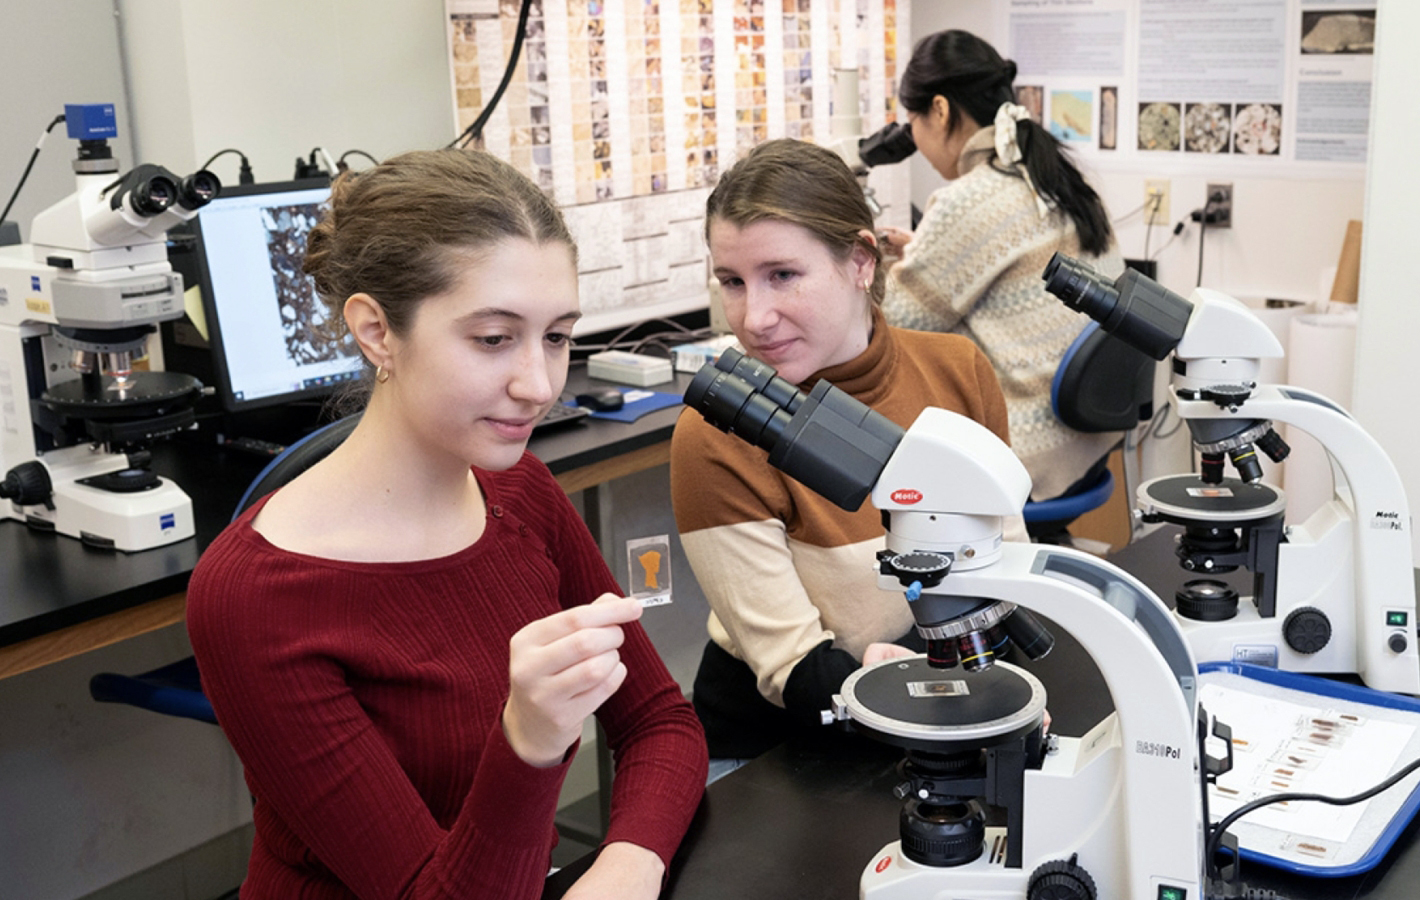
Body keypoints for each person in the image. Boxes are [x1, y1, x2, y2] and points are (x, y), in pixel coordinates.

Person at [186, 149, 706, 900]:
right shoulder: (251, 595)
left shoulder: (519, 492)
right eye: (494, 339)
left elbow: (660, 723)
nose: (539, 386)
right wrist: (524, 744)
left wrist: (628, 863)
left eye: (556, 337)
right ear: (375, 331)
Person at [670, 139, 1015, 763]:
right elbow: (793, 671)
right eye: (732, 282)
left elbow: (1006, 568)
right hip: (782, 740)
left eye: (782, 275)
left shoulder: (958, 371)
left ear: (860, 260)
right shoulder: (715, 432)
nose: (754, 317)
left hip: (939, 699)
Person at [880, 29, 1124, 522]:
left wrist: (862, 269)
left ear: (941, 110)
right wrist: (923, 256)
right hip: (1088, 439)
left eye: (914, 123)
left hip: (1025, 453)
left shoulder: (970, 199)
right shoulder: (1054, 177)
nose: (917, 143)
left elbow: (891, 325)